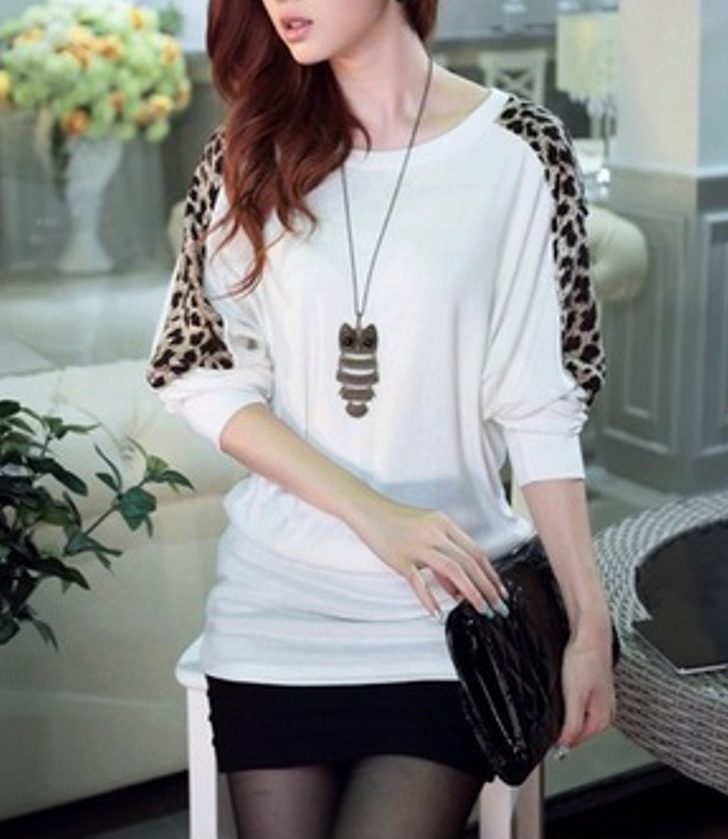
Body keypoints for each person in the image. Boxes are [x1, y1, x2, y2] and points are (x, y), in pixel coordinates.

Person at [146, 1, 616, 837]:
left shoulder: (519, 149)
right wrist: (375, 514)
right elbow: (200, 373)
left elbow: (542, 407)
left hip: (448, 618)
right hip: (279, 605)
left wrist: (589, 626)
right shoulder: (250, 148)